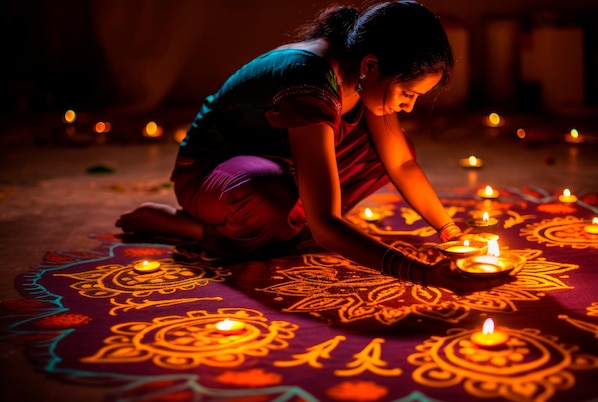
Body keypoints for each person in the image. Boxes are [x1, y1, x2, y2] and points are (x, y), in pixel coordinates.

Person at [116, 1, 504, 293]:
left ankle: (283, 228)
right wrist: (418, 272)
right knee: (274, 203)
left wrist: (450, 231)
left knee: (387, 148)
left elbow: (400, 164)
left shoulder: (362, 78)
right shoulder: (310, 80)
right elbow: (325, 224)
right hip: (213, 176)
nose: (408, 104)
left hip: (282, 167)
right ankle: (189, 227)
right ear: (371, 65)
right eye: (407, 92)